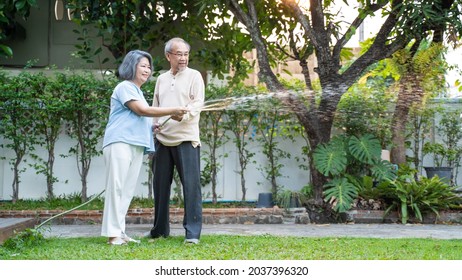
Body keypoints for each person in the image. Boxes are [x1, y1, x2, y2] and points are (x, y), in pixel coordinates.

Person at [101, 50, 188, 245]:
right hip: (120, 142)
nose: (147, 70)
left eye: (149, 67)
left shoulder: (137, 91)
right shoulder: (124, 86)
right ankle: (113, 234)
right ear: (131, 66)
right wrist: (173, 109)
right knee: (116, 188)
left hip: (135, 145)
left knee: (127, 190)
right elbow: (142, 110)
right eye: (143, 66)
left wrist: (152, 126)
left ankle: (119, 232)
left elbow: (139, 117)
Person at [145, 38, 205, 244]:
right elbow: (156, 106)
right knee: (160, 186)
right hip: (162, 140)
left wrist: (185, 116)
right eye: (179, 54)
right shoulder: (161, 79)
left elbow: (197, 103)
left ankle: (192, 233)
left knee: (191, 187)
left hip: (186, 139)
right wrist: (154, 125)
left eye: (186, 54)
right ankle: (160, 230)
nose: (183, 58)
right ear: (168, 56)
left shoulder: (194, 76)